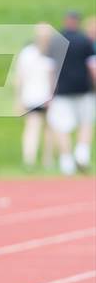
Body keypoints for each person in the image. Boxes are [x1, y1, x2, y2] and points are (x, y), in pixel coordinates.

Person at [47, 11, 95, 175]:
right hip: (84, 88)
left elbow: (51, 69)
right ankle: (82, 153)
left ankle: (66, 162)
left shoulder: (56, 41)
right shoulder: (85, 40)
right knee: (86, 122)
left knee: (62, 127)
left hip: (62, 89)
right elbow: (92, 67)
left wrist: (50, 91)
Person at [14, 23, 55, 169]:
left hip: (47, 97)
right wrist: (18, 98)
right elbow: (20, 77)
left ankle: (47, 160)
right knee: (33, 127)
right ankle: (30, 159)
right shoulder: (28, 53)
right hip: (32, 96)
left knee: (49, 129)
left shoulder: (51, 53)